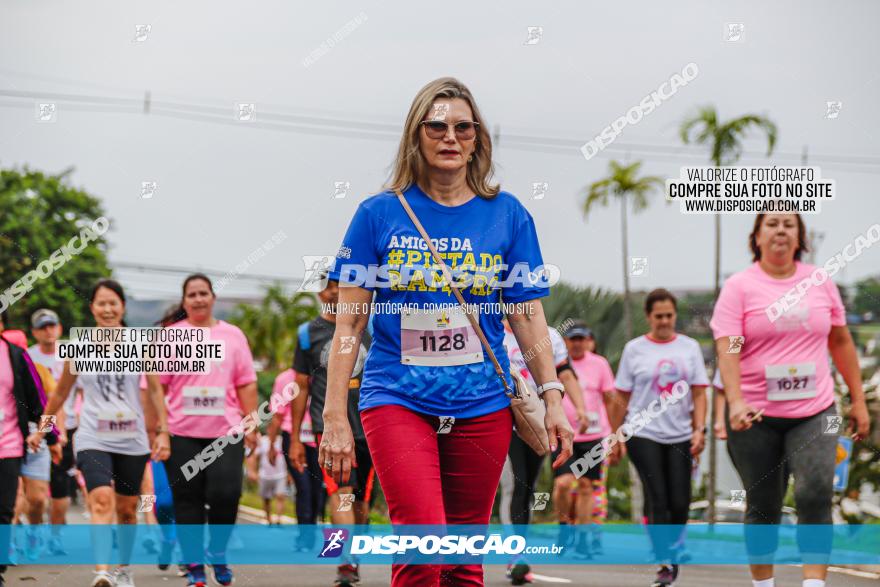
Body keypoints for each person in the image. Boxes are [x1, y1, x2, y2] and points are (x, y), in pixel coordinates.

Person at [321, 77, 573, 587]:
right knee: (422, 547)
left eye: (463, 126)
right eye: (436, 126)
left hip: (481, 402)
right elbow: (348, 322)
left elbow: (526, 315)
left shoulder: (508, 215)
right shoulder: (377, 215)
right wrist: (333, 415)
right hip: (397, 397)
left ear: (477, 138)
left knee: (462, 561)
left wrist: (551, 396)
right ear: (416, 136)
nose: (450, 136)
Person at [710, 213, 870, 587]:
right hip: (754, 415)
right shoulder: (739, 287)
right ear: (757, 236)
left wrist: (858, 401)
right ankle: (763, 583)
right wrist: (734, 401)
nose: (780, 229)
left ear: (800, 236)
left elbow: (841, 341)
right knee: (763, 505)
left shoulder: (820, 282)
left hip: (814, 410)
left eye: (788, 223)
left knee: (814, 491)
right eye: (772, 223)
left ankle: (813, 583)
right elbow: (728, 347)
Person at [27, 280, 171, 587]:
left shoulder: (141, 344)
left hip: (132, 439)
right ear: (92, 308)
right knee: (101, 499)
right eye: (101, 303)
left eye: (113, 303)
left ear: (123, 307)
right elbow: (60, 393)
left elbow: (156, 390)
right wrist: (43, 429)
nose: (107, 309)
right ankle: (102, 572)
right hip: (93, 435)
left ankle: (123, 569)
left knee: (128, 510)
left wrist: (163, 431)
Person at [159, 274, 258, 587]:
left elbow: (246, 383)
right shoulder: (170, 337)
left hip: (226, 433)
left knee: (226, 495)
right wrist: (159, 431)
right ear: (184, 301)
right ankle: (195, 567)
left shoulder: (233, 336)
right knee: (186, 500)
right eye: (192, 294)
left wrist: (251, 423)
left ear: (213, 297)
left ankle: (217, 551)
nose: (198, 299)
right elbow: (155, 389)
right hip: (182, 433)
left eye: (203, 293)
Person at [610, 288, 709, 587]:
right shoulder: (634, 349)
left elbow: (700, 392)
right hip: (643, 431)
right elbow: (621, 396)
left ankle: (671, 546)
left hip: (680, 433)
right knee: (658, 497)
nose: (664, 321)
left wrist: (698, 429)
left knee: (680, 501)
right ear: (648, 317)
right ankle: (664, 561)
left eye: (669, 315)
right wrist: (616, 437)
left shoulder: (690, 347)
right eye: (658, 316)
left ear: (675, 315)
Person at [285, 276, 371, 586]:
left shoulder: (367, 325)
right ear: (319, 292)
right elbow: (301, 386)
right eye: (327, 286)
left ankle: (354, 552)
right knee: (341, 491)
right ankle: (346, 562)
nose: (333, 290)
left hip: (370, 427)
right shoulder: (308, 334)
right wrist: (295, 437)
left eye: (338, 284)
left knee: (361, 502)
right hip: (329, 428)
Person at [499, 318, 583, 584]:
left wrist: (579, 408)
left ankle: (520, 550)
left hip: (537, 421)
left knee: (528, 488)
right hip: (504, 420)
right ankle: (515, 557)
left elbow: (565, 373)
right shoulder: (492, 330)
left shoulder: (548, 336)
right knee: (515, 484)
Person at [0, 310, 59, 587]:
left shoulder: (15, 356)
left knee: (10, 506)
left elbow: (38, 401)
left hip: (12, 442)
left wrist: (53, 437)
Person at [554, 321, 615, 559]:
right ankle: (564, 527)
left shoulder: (599, 365)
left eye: (581, 339)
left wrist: (613, 434)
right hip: (564, 434)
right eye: (573, 339)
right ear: (566, 342)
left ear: (588, 341)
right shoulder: (558, 364)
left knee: (587, 487)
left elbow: (610, 400)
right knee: (563, 484)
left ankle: (582, 540)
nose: (577, 344)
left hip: (594, 436)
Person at [28, 308, 82, 556]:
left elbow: (83, 389)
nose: (49, 330)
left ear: (60, 328)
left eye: (52, 325)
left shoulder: (72, 353)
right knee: (36, 492)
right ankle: (35, 531)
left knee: (61, 486)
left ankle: (56, 537)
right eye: (43, 327)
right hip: (34, 430)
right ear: (35, 332)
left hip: (67, 428)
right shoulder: (27, 357)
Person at [266, 368, 323, 550]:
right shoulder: (284, 379)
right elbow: (277, 416)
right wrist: (271, 445)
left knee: (317, 489)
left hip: (318, 438)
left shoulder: (324, 374)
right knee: (303, 487)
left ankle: (311, 533)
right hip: (293, 439)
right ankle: (304, 535)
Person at [249, 433, 288, 525]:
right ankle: (268, 518)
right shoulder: (263, 441)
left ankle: (278, 519)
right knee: (266, 498)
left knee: (280, 495)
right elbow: (255, 456)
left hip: (280, 474)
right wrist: (253, 471)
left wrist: (290, 474)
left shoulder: (282, 440)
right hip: (265, 475)